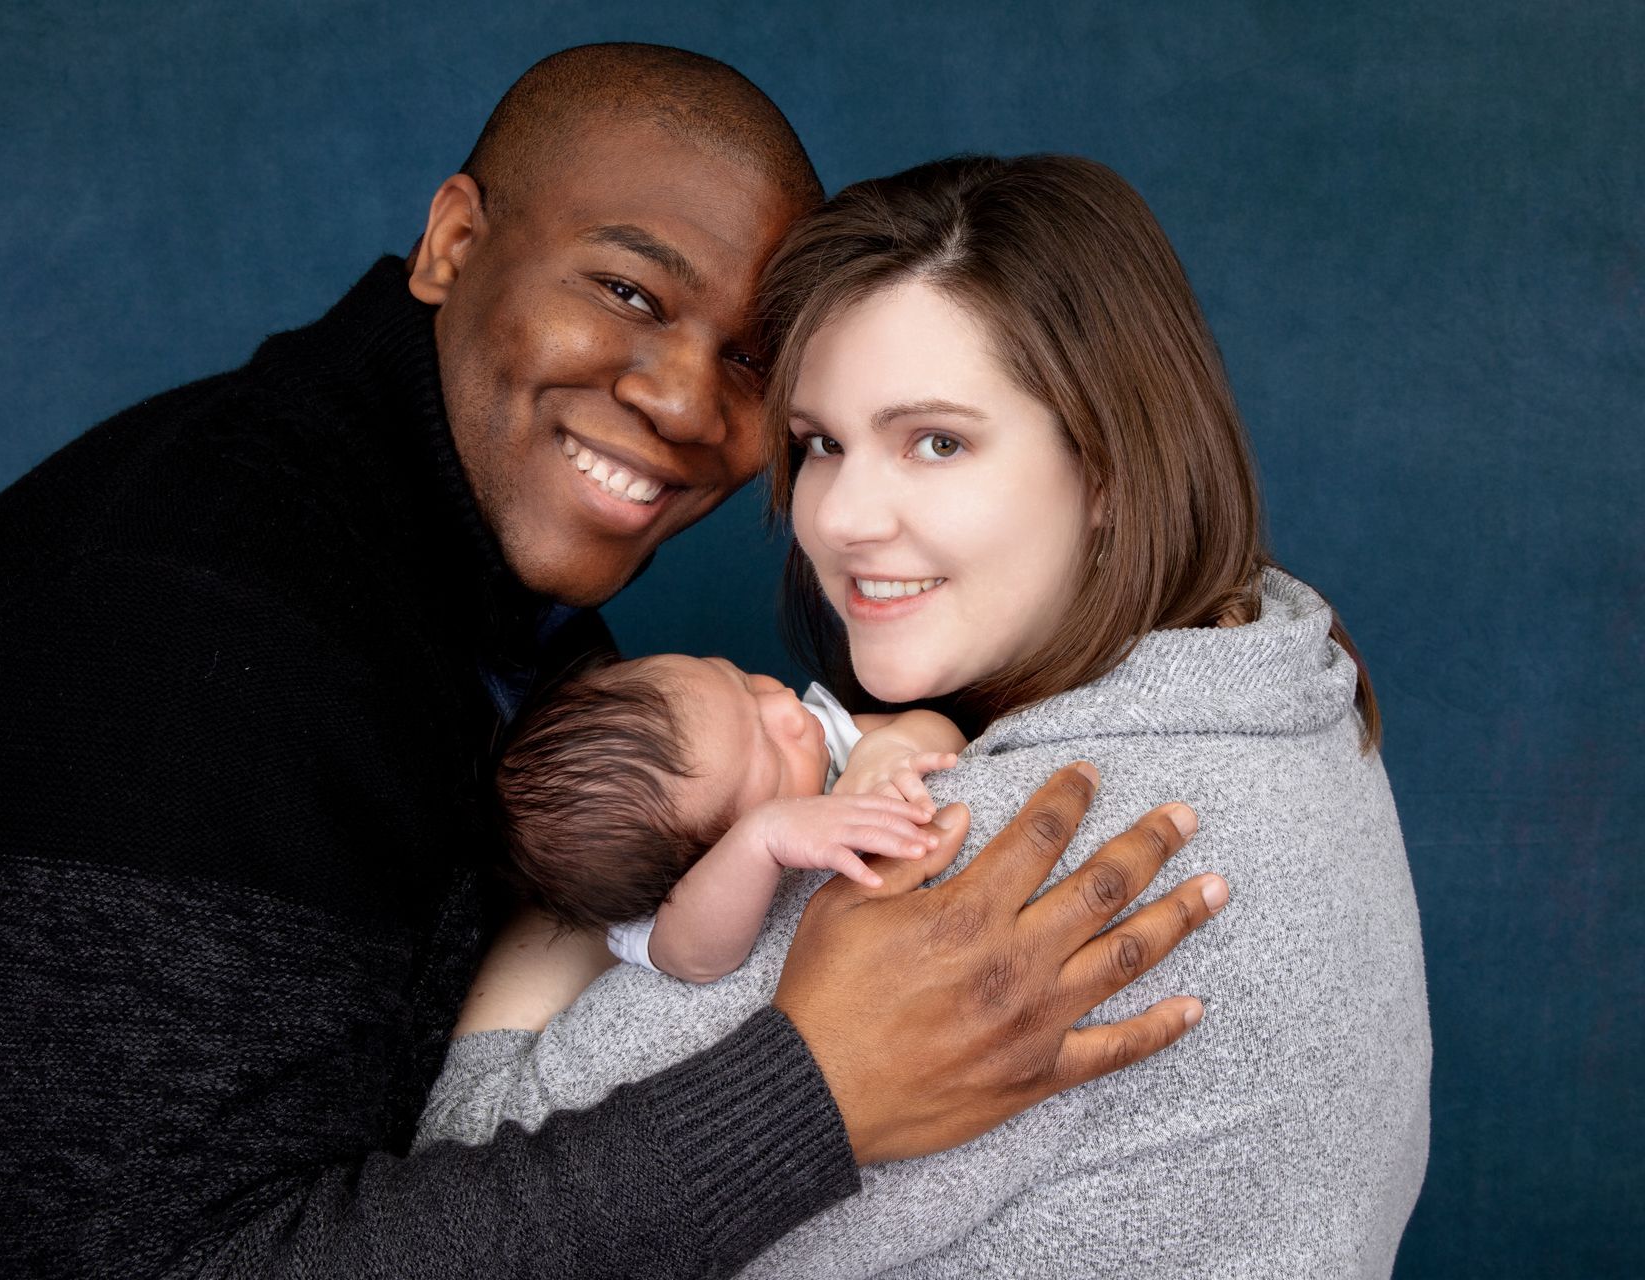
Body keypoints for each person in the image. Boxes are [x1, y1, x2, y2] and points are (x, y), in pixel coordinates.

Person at [0, 50, 1233, 1279]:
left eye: (754, 364)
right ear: (453, 244)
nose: (686, 407)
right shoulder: (170, 628)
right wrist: (814, 1096)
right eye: (632, 295)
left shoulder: (493, 590)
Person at [417, 154, 1432, 1277]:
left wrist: (548, 923)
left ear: (1108, 468)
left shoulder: (991, 847)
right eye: (821, 443)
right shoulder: (1285, 685)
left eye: (937, 441)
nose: (842, 516)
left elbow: (474, 1197)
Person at [490, 653, 965, 984]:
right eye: (773, 755)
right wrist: (761, 840)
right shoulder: (673, 921)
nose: (788, 708)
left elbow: (943, 734)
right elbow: (697, 959)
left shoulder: (825, 740)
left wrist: (886, 752)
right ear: (696, 869)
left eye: (741, 679)